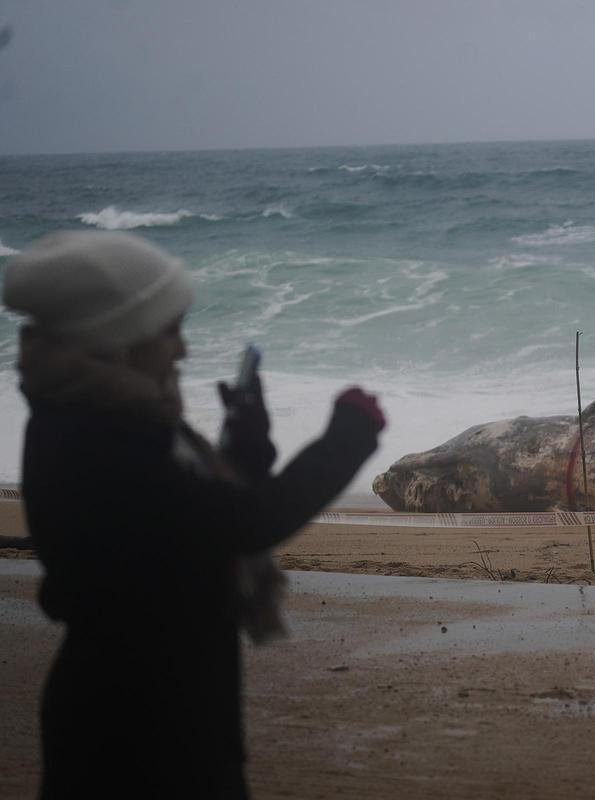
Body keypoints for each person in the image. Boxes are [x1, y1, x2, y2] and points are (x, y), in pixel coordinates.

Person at [2, 230, 387, 798]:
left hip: (161, 700)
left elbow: (196, 517)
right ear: (116, 338)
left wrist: (247, 448)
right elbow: (243, 523)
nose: (182, 350)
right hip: (135, 722)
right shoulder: (95, 438)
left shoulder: (102, 416)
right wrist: (346, 440)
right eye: (169, 330)